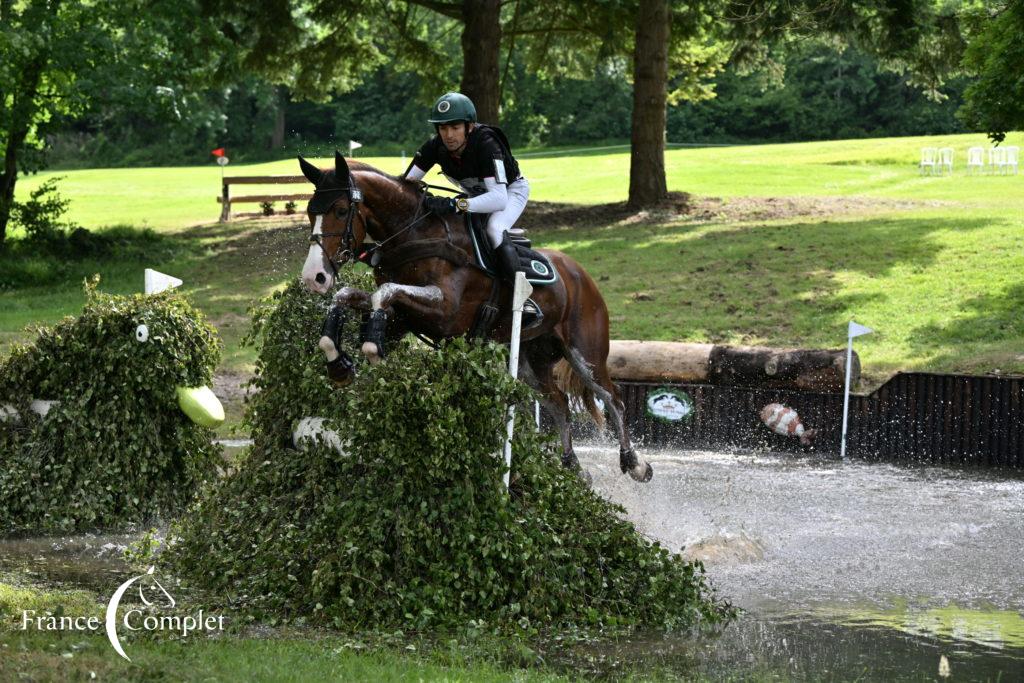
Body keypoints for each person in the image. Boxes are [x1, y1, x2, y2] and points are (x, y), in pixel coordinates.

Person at [404, 92, 531, 287]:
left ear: (469, 126)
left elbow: (498, 199)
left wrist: (454, 204)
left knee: (494, 229)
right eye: (443, 128)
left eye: (455, 127)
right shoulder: (434, 146)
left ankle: (521, 292)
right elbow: (406, 185)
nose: (448, 135)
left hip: (510, 192)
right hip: (476, 196)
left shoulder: (487, 143)